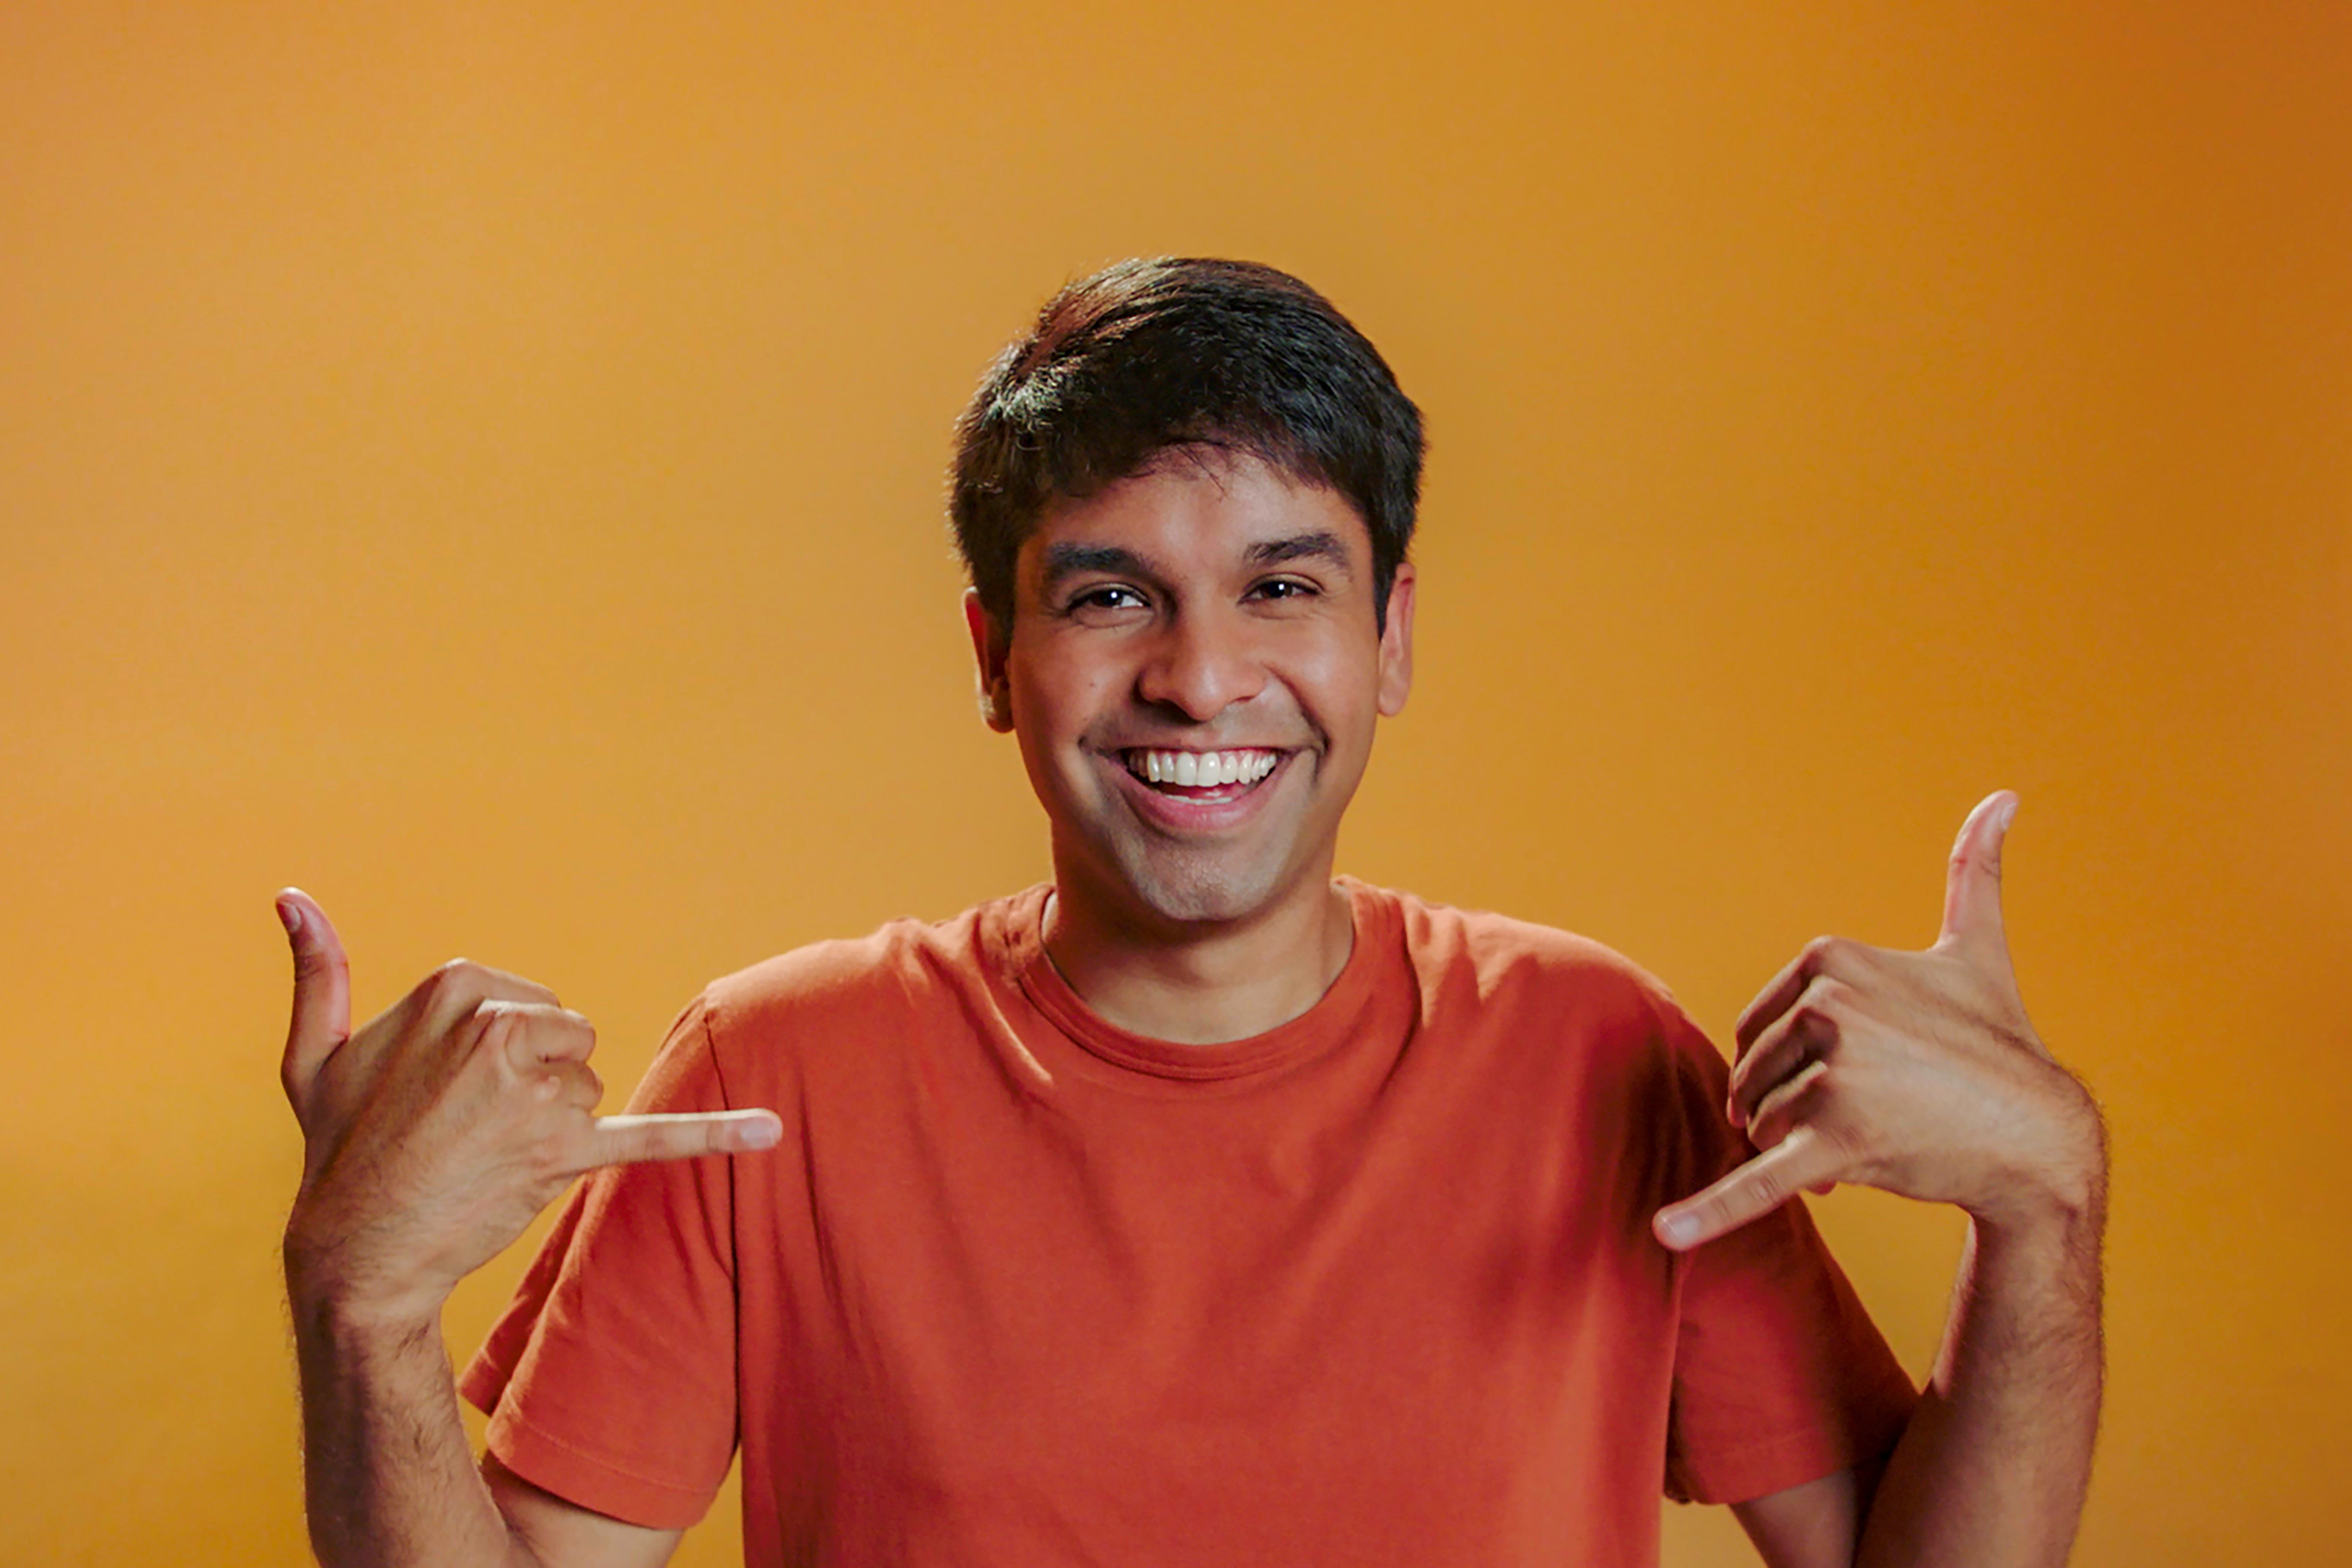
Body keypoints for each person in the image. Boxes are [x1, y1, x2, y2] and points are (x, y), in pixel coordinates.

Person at [276, 258, 2107, 1568]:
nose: (1203, 677)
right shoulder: (779, 1074)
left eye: (1283, 584)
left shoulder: (1601, 1056)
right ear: (997, 658)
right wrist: (361, 1309)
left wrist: (2046, 1211)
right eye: (1109, 598)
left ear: (1390, 640)